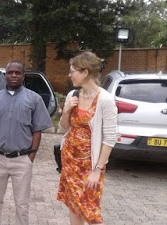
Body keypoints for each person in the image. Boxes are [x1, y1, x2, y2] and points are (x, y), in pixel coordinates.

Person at [0, 60, 53, 225]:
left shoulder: (34, 99)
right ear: (5, 75)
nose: (13, 75)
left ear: (23, 76)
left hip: (22, 159)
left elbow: (37, 130)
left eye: (17, 72)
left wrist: (30, 158)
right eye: (10, 72)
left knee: (22, 204)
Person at [57, 51, 117, 225]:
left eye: (72, 71)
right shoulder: (72, 95)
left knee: (91, 212)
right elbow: (64, 127)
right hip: (70, 161)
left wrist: (97, 170)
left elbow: (109, 139)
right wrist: (67, 110)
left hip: (90, 166)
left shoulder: (105, 100)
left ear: (85, 72)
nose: (70, 75)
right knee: (73, 205)